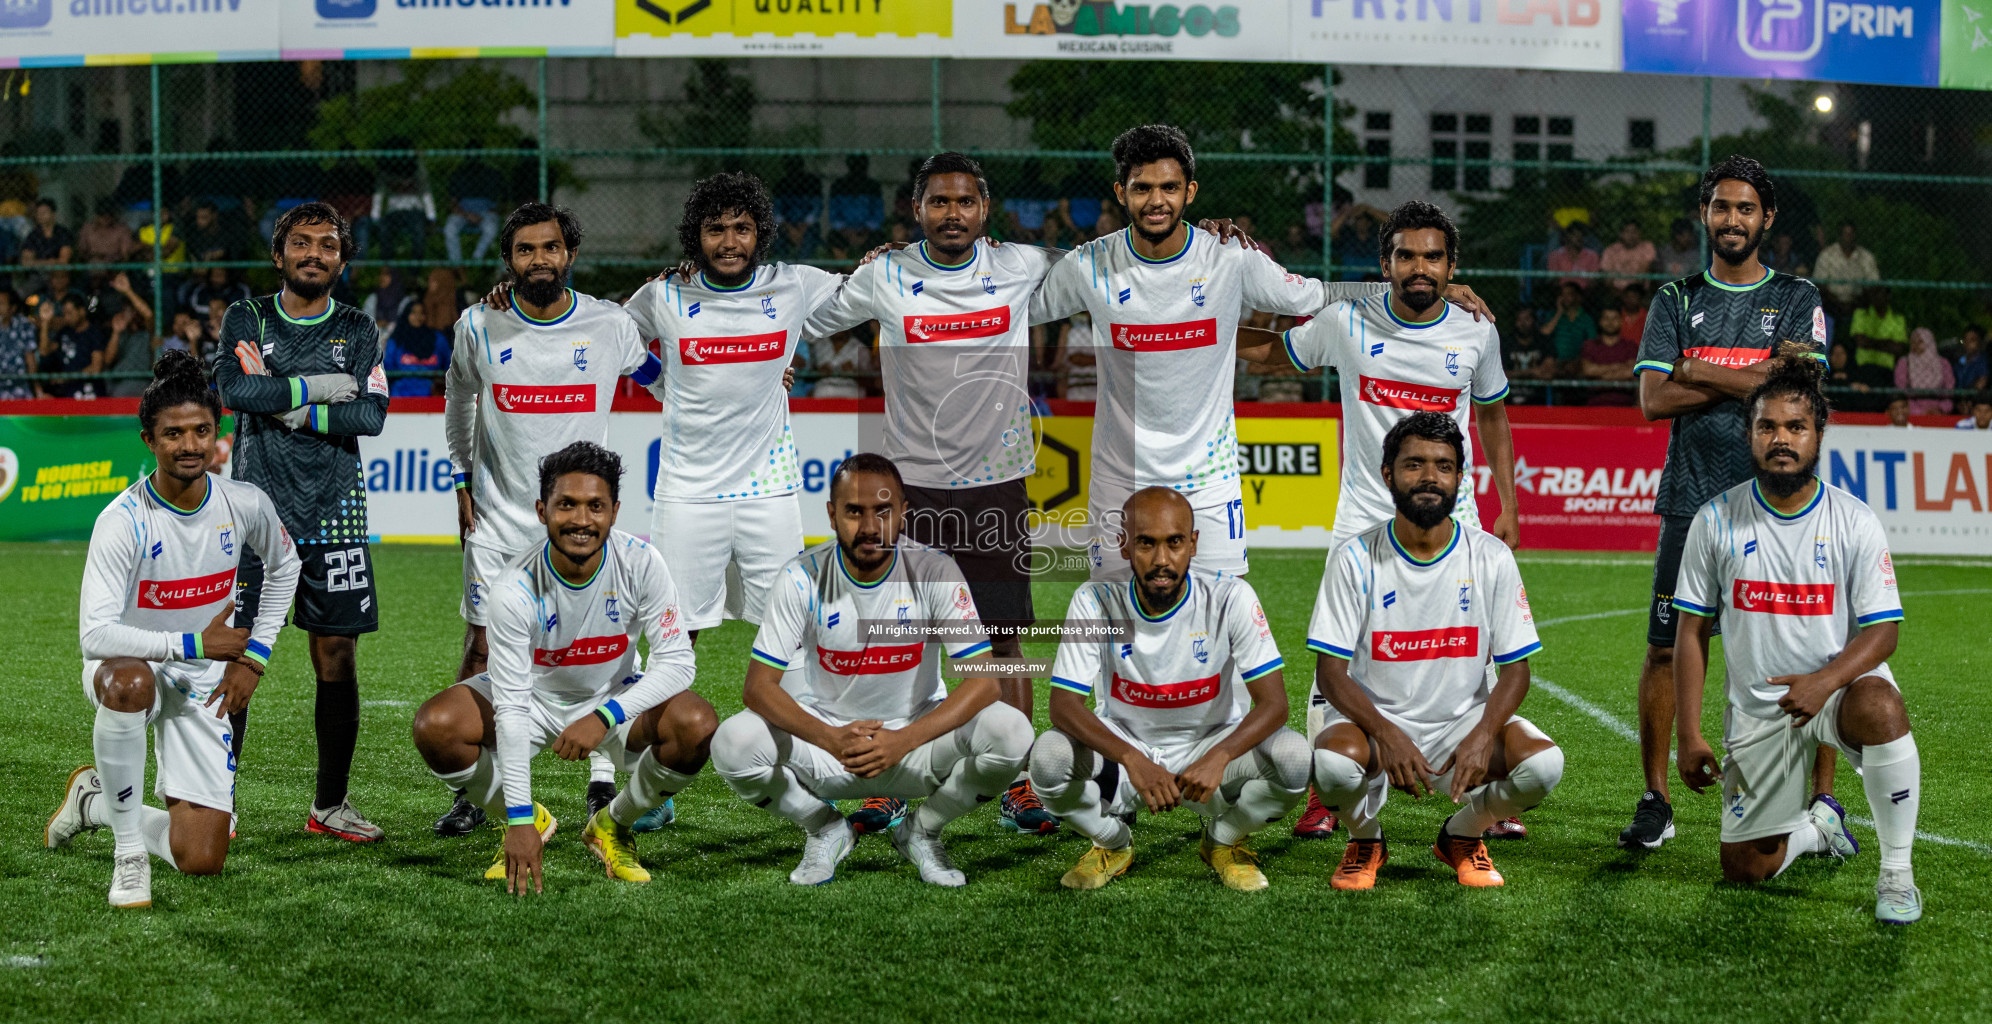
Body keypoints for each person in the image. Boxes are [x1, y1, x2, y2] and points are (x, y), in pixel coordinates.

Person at [1241, 200, 1522, 842]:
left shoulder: (1476, 332)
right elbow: (1270, 356)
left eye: (1432, 256)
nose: (1418, 267)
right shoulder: (1346, 322)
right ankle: (1325, 789)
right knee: (1339, 655)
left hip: (1457, 518)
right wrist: (1195, 315)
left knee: (1471, 652)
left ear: (1451, 266)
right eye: (1405, 255)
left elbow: (1495, 416)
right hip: (1364, 518)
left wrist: (1510, 503)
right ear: (1385, 264)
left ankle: (1479, 787)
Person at [803, 152, 1062, 834]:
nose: (953, 214)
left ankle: (1021, 780)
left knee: (1006, 641)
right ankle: (895, 779)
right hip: (911, 490)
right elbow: (806, 317)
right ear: (916, 210)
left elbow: (1107, 261)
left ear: (986, 210)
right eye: (939, 202)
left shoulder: (1020, 266)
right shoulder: (884, 275)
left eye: (966, 202)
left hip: (997, 484)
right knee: (907, 642)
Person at [437, 203, 667, 838]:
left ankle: (609, 781)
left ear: (570, 254)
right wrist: (461, 475)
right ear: (509, 260)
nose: (539, 259)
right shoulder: (478, 325)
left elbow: (659, 378)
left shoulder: (608, 324)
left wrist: (756, 381)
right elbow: (458, 397)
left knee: (604, 648)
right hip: (502, 519)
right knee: (481, 646)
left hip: (580, 525)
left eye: (551, 248)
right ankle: (474, 788)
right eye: (526, 250)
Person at [42, 349, 303, 908]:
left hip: (202, 678)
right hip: (130, 668)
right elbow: (96, 636)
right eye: (173, 434)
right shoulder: (122, 521)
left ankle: (94, 803)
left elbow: (287, 566)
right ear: (148, 440)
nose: (190, 446)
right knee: (130, 683)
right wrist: (190, 643)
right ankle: (130, 854)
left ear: (218, 433)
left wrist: (254, 655)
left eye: (201, 431)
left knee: (201, 858)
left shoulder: (244, 503)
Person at [1623, 155, 1829, 851]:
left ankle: (1819, 803)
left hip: (1776, 503)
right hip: (1690, 499)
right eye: (1720, 207)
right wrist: (1753, 376)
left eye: (1745, 209)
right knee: (1664, 648)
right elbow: (1653, 399)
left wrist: (1699, 367)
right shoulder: (1675, 299)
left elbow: (1797, 387)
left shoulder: (1798, 296)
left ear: (1766, 218)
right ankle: (1655, 798)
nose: (1732, 219)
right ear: (1704, 215)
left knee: (1805, 645)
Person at [1672, 358, 1923, 924]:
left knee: (1882, 706)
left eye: (1795, 427)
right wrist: (1688, 734)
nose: (1781, 439)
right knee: (1743, 869)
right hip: (1762, 714)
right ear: (1750, 435)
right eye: (1768, 427)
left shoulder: (1854, 520)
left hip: (1834, 693)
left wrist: (1825, 682)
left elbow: (1884, 631)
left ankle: (1898, 874)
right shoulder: (1714, 521)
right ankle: (1818, 829)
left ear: (1818, 435)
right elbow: (1691, 632)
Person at [708, 454, 1034, 887]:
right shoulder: (802, 576)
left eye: (883, 511)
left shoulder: (935, 571)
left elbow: (985, 679)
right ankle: (824, 828)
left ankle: (922, 829)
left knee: (1011, 732)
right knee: (733, 742)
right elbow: (758, 688)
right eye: (854, 511)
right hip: (827, 748)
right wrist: (830, 737)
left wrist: (903, 741)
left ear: (903, 513)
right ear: (831, 513)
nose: (868, 526)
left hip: (916, 744)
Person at [1027, 125, 1333, 584]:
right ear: (1120, 192)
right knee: (1116, 626)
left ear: (1190, 191)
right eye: (1142, 188)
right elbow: (1011, 308)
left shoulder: (1228, 257)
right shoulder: (1090, 265)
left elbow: (1315, 298)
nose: (1157, 201)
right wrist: (937, 262)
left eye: (1169, 187)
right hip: (1119, 482)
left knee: (1220, 627)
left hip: (1208, 484)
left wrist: (1424, 294)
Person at [410, 442, 712, 891]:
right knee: (437, 726)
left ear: (614, 511)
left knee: (696, 723)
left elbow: (677, 663)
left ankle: (613, 824)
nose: (581, 520)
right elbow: (511, 706)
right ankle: (531, 817)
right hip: (532, 701)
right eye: (566, 505)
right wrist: (516, 819)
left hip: (613, 699)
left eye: (596, 506)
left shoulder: (642, 564)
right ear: (541, 510)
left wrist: (604, 715)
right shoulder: (514, 587)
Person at [1305, 412, 1563, 890]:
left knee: (1545, 766)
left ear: (1460, 478)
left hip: (1458, 726)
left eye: (1444, 466)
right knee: (1329, 765)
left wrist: (1485, 732)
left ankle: (1461, 837)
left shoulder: (1490, 556)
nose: (1429, 477)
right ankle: (1366, 838)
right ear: (1388, 475)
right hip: (1374, 726)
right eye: (1414, 464)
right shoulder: (1354, 557)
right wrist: (1386, 731)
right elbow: (1330, 673)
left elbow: (1516, 671)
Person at [209, 202, 390, 843]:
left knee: (336, 656)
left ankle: (329, 806)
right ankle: (217, 803)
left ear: (342, 259)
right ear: (280, 253)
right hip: (255, 516)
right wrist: (319, 386)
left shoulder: (359, 326)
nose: (315, 254)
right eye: (302, 243)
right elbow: (234, 392)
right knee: (234, 653)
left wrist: (284, 400)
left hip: (336, 513)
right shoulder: (247, 316)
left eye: (329, 245)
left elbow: (370, 417)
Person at [1032, 487, 1307, 891]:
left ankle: (1222, 840)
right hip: (1126, 754)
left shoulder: (1230, 597)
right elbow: (1063, 706)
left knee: (1295, 758)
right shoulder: (1096, 599)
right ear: (1124, 546)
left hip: (1211, 753)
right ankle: (1112, 843)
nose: (1162, 560)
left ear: (1193, 543)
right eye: (1146, 543)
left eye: (1174, 542)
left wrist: (1219, 756)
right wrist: (1131, 757)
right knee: (1047, 758)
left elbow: (1275, 705)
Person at [443, 145, 506, 264]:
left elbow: (502, 203)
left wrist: (494, 210)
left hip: (486, 211)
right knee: (450, 228)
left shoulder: (491, 173)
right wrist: (467, 215)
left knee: (491, 228)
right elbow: (452, 204)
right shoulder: (458, 173)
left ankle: (476, 259)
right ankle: (456, 264)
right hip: (463, 211)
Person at [37, 293, 105, 399]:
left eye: (70, 313)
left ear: (82, 311)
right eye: (64, 314)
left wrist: (68, 377)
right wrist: (45, 322)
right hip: (67, 392)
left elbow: (96, 367)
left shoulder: (94, 333)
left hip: (89, 393)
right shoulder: (65, 333)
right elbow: (44, 351)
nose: (66, 318)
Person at [1810, 221, 1879, 318]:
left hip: (1858, 304)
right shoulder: (1827, 255)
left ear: (1855, 236)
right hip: (1831, 304)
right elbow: (1820, 284)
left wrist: (1857, 300)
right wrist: (1837, 302)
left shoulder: (1865, 256)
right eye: (1845, 234)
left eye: (1851, 234)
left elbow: (1873, 284)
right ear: (1839, 236)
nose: (1848, 238)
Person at [382, 302, 449, 397]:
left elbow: (448, 365)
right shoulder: (397, 340)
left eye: (421, 313)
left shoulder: (437, 339)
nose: (418, 316)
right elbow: (388, 367)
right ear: (406, 315)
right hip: (401, 395)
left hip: (432, 396)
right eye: (413, 313)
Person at [1580, 307, 1639, 405]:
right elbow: (1588, 370)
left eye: (1614, 318)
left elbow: (1631, 372)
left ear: (1621, 321)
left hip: (1625, 405)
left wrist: (1602, 376)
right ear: (1600, 321)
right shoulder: (1590, 345)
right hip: (1595, 404)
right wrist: (1617, 367)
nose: (1610, 322)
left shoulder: (1630, 346)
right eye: (1606, 318)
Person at [1893, 328, 1953, 417]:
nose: (1915, 345)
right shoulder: (1904, 363)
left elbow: (1949, 392)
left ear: (1928, 342)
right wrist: (1920, 412)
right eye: (1913, 342)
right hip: (1912, 413)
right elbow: (1901, 392)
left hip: (1939, 414)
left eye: (1920, 342)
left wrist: (1940, 409)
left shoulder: (1943, 364)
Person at [1850, 287, 1907, 373]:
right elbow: (1860, 342)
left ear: (1887, 297)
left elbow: (1898, 348)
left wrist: (1870, 342)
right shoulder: (1860, 314)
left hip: (1886, 369)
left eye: (1880, 293)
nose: (1876, 297)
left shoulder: (1898, 319)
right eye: (1874, 294)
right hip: (1863, 366)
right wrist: (1887, 343)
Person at [1537, 282, 1595, 365]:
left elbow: (1592, 342)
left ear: (1577, 297)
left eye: (1568, 294)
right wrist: (1559, 312)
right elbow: (1544, 333)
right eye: (1562, 294)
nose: (1564, 298)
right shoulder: (1553, 314)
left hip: (1576, 362)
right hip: (1555, 361)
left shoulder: (1586, 318)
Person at [0, 288, 40, 399]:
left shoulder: (24, 325)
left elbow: (30, 359)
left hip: (20, 388)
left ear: (12, 308)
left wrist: (37, 388)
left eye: (1, 303)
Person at [1600, 220, 1656, 292]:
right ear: (1621, 234)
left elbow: (1647, 270)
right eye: (1627, 232)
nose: (1631, 236)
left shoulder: (1647, 247)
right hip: (1616, 292)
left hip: (1640, 291)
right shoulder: (1611, 250)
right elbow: (1607, 278)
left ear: (1640, 233)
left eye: (1634, 232)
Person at [78, 199, 137, 265]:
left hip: (114, 264)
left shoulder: (122, 229)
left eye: (109, 215)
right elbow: (82, 251)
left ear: (113, 215)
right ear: (97, 215)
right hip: (93, 263)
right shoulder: (87, 229)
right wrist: (95, 257)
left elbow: (125, 254)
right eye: (102, 215)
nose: (106, 218)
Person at [19, 197, 74, 267]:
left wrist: (36, 263)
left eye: (44, 212)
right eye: (38, 213)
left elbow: (64, 261)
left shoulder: (63, 233)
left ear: (53, 214)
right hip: (38, 273)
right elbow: (26, 262)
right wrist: (51, 262)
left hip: (58, 273)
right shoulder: (33, 236)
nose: (40, 215)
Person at [1545, 222, 1599, 290]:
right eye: (1575, 235)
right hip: (1562, 291)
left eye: (1582, 236)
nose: (1580, 238)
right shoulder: (1555, 255)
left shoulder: (1592, 255)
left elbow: (1593, 281)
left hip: (1585, 292)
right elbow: (1554, 280)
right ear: (1567, 237)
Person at [1951, 326, 1988, 392]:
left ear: (1980, 342)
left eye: (1972, 340)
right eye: (1965, 340)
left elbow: (1981, 383)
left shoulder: (1983, 363)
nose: (1967, 343)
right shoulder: (1958, 362)